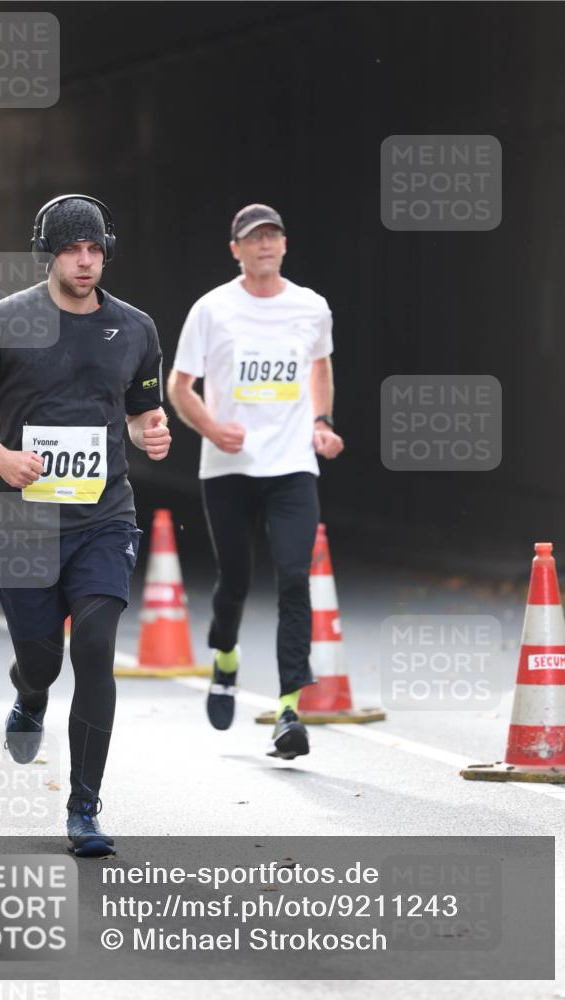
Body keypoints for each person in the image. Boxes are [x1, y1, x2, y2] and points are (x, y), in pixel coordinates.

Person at [0, 194, 171, 856]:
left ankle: (84, 808)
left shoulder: (134, 328)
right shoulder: (6, 321)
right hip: (21, 521)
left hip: (103, 517)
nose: (85, 261)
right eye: (73, 249)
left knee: (94, 647)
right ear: (50, 252)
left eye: (95, 250)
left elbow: (139, 412)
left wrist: (152, 434)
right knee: (42, 658)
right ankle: (30, 691)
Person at [168, 203, 344, 760]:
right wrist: (213, 428)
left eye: (273, 236)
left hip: (292, 464)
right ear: (236, 249)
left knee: (295, 579)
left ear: (285, 245)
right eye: (253, 238)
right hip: (229, 469)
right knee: (236, 580)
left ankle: (289, 708)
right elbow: (179, 386)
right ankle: (224, 657)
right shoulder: (212, 309)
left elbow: (320, 365)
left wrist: (321, 422)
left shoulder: (311, 307)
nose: (265, 244)